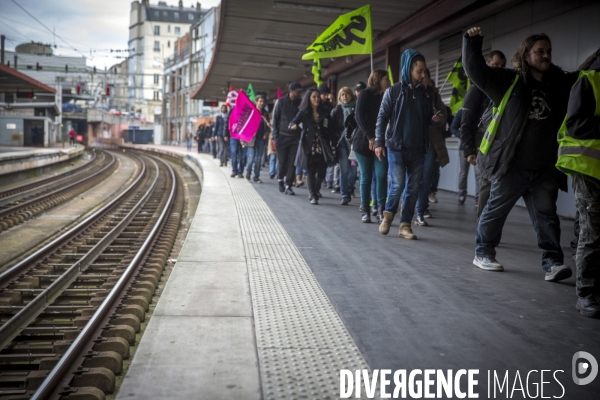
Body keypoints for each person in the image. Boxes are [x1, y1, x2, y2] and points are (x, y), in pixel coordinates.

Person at [463, 27, 598, 277]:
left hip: (544, 167)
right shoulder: (509, 81)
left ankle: (552, 263)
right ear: (526, 55)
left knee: (547, 219)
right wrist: (472, 42)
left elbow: (585, 75)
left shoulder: (559, 84)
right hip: (512, 165)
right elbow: (476, 71)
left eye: (548, 51)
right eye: (539, 52)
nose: (546, 56)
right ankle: (483, 253)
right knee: (495, 210)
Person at [376, 50, 442, 239]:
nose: (423, 75)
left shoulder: (425, 95)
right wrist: (379, 142)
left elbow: (430, 120)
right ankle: (388, 215)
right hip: (396, 148)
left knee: (413, 188)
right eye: (419, 71)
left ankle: (405, 225)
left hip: (419, 149)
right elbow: (382, 118)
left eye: (424, 71)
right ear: (409, 69)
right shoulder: (394, 91)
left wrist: (435, 119)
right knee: (398, 184)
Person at [556, 53, 600, 318]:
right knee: (593, 232)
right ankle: (586, 294)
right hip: (589, 167)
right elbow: (575, 124)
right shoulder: (590, 80)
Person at [460, 50, 507, 212]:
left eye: (502, 66)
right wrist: (468, 150)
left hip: (499, 146)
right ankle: (483, 227)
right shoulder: (477, 88)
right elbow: (466, 121)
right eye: (495, 65)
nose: (499, 69)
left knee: (493, 187)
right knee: (484, 184)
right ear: (487, 64)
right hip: (481, 145)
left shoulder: (504, 89)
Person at [353, 69, 390, 223]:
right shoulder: (365, 94)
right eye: (385, 79)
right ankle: (365, 209)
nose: (388, 82)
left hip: (382, 143)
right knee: (366, 177)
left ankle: (380, 208)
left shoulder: (388, 96)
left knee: (381, 176)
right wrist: (370, 136)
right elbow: (359, 116)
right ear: (377, 79)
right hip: (363, 143)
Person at [415, 68, 449, 225]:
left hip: (430, 142)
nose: (423, 78)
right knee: (411, 179)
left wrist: (438, 117)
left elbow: (443, 118)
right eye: (420, 74)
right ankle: (408, 208)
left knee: (426, 179)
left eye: (426, 75)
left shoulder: (434, 95)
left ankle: (420, 211)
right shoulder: (409, 93)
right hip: (412, 141)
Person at [290, 88, 334, 205]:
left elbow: (331, 129)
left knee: (321, 172)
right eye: (314, 97)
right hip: (308, 145)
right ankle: (313, 195)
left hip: (322, 145)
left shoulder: (325, 111)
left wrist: (333, 143)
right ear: (309, 98)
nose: (316, 99)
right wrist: (293, 125)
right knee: (310, 170)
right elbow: (293, 122)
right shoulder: (304, 112)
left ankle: (315, 189)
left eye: (318, 97)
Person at [272, 82, 303, 195]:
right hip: (282, 136)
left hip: (295, 137)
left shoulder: (301, 103)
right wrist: (275, 135)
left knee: (292, 163)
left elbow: (303, 118)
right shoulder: (280, 102)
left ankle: (288, 185)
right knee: (282, 161)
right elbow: (275, 119)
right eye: (297, 91)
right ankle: (280, 180)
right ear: (291, 91)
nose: (300, 93)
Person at [330, 87, 356, 205]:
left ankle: (350, 188)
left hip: (355, 143)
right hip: (341, 144)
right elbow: (332, 127)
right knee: (344, 169)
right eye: (342, 95)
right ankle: (345, 194)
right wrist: (333, 142)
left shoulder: (357, 108)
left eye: (346, 94)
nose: (344, 97)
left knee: (354, 171)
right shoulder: (337, 110)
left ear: (351, 95)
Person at [245, 95, 269, 183]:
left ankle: (256, 176)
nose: (262, 103)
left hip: (261, 139)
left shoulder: (265, 114)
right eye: (260, 101)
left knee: (258, 159)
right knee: (251, 158)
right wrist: (243, 138)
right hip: (251, 139)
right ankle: (248, 171)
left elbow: (268, 127)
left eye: (263, 101)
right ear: (256, 102)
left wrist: (266, 134)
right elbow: (246, 125)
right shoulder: (251, 112)